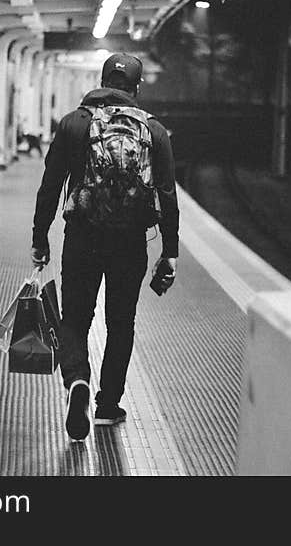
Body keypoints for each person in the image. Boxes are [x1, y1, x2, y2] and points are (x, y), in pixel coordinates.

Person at [31, 53, 179, 441]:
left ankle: (77, 380)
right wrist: (170, 251)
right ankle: (108, 404)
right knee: (121, 321)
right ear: (136, 87)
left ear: (101, 81)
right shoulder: (154, 131)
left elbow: (49, 187)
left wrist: (39, 237)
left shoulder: (74, 123)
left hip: (82, 236)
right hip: (130, 242)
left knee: (76, 318)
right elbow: (167, 195)